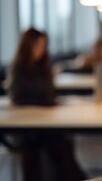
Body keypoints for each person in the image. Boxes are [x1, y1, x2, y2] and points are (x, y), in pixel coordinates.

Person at [8, 28, 86, 181]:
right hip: (24, 125)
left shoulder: (44, 65)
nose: (42, 50)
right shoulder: (18, 67)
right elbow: (18, 96)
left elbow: (49, 94)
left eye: (43, 45)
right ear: (28, 46)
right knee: (52, 144)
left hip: (44, 121)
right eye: (38, 45)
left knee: (62, 142)